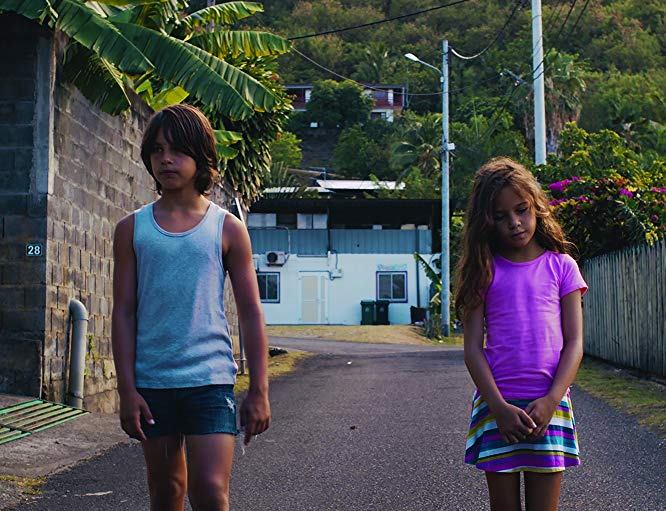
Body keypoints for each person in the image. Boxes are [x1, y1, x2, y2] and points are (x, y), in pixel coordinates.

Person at [111, 104, 270, 511]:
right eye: (157, 149)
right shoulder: (131, 230)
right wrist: (127, 390)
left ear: (201, 156)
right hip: (153, 383)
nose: (166, 159)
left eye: (178, 150)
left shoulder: (227, 228)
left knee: (211, 491)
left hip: (210, 380)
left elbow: (251, 312)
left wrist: (259, 389)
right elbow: (124, 312)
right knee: (166, 490)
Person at [456, 157, 587, 511]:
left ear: (536, 206)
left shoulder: (562, 266)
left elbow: (575, 343)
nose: (514, 223)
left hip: (549, 407)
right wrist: (498, 407)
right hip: (497, 409)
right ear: (486, 222)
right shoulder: (482, 271)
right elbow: (472, 349)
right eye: (500, 216)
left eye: (521, 210)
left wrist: (552, 400)